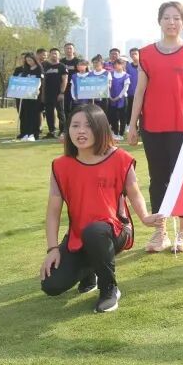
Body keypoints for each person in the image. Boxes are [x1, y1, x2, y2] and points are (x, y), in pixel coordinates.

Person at [40, 104, 164, 313]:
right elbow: (53, 212)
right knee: (51, 284)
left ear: (101, 128)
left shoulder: (120, 158)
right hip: (79, 236)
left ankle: (109, 288)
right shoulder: (60, 166)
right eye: (75, 126)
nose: (81, 131)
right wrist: (53, 249)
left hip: (115, 230)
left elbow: (134, 193)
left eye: (88, 126)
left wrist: (144, 217)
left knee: (95, 232)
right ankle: (91, 272)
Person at [128, 1, 183, 253]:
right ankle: (160, 232)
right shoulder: (146, 54)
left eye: (176, 18)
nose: (171, 22)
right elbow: (140, 92)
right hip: (152, 126)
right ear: (159, 21)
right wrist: (132, 125)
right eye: (166, 17)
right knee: (158, 179)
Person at [41, 48, 68, 139]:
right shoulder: (45, 66)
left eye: (56, 53)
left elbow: (65, 80)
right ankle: (51, 131)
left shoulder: (62, 66)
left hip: (58, 93)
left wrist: (62, 92)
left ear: (59, 55)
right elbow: (43, 81)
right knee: (49, 113)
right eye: (52, 53)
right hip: (48, 93)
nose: (54, 55)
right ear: (49, 55)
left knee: (60, 112)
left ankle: (63, 131)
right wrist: (43, 94)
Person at [17, 53, 44, 141]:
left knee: (34, 114)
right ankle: (26, 133)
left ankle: (35, 133)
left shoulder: (39, 68)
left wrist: (37, 89)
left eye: (30, 60)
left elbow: (40, 80)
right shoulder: (26, 69)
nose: (29, 62)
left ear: (34, 59)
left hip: (35, 95)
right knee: (26, 114)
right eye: (27, 60)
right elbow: (22, 81)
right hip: (26, 95)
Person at [108, 58, 131, 139]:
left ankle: (121, 134)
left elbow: (125, 88)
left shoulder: (126, 75)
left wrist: (118, 97)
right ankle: (115, 132)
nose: (116, 66)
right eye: (115, 64)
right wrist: (110, 96)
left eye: (118, 64)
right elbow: (108, 86)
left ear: (123, 65)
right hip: (112, 98)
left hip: (122, 99)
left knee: (122, 117)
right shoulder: (111, 74)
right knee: (113, 116)